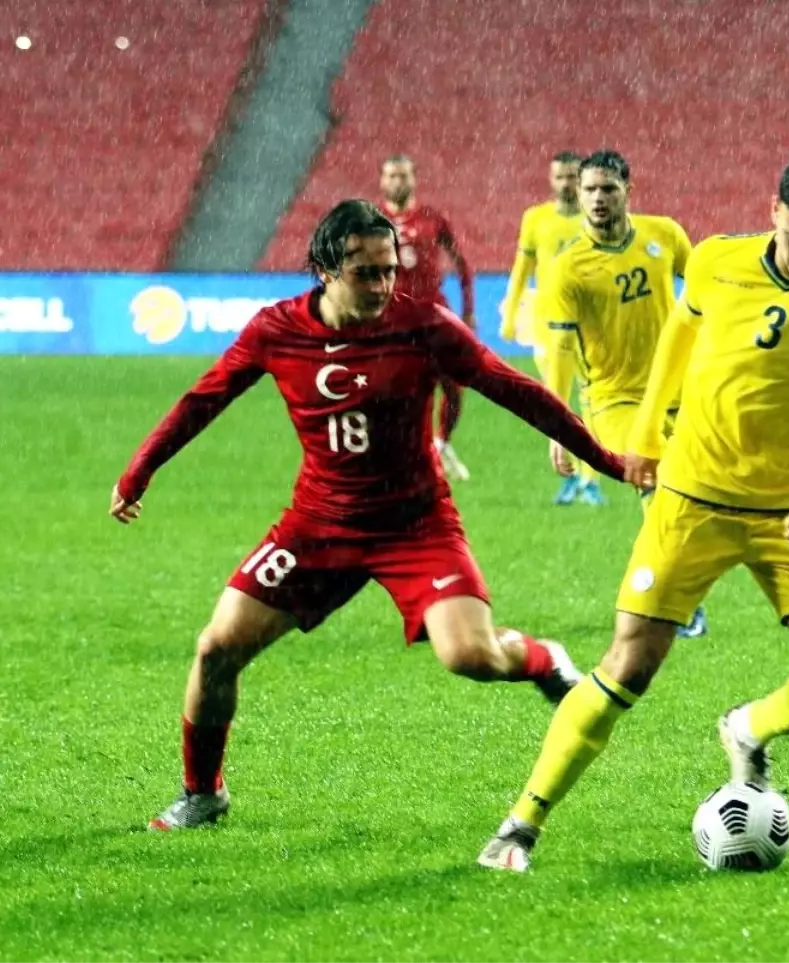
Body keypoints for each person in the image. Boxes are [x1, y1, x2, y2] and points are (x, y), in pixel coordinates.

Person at [110, 199, 627, 832]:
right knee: (216, 648)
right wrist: (140, 471)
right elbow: (204, 399)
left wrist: (602, 457)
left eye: (389, 270)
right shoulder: (277, 331)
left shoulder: (425, 326)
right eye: (366, 272)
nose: (383, 285)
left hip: (416, 525)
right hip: (317, 525)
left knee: (470, 657)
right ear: (326, 270)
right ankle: (202, 793)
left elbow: (510, 387)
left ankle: (542, 659)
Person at [478, 150, 789, 872]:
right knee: (628, 667)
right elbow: (676, 345)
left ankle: (747, 729)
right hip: (691, 498)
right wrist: (644, 438)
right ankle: (523, 821)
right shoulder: (716, 262)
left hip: (788, 514)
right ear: (773, 210)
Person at [541, 149, 704, 635]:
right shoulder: (569, 269)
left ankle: (666, 589)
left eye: (607, 189)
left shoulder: (664, 235)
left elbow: (704, 292)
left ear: (628, 191)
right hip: (613, 401)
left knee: (700, 490)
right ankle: (668, 599)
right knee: (657, 478)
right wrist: (558, 427)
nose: (596, 198)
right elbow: (562, 352)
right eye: (588, 189)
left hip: (679, 391)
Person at [498, 151, 596, 506]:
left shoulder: (595, 218)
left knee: (590, 398)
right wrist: (510, 312)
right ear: (551, 180)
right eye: (561, 177)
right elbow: (522, 267)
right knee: (558, 400)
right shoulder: (536, 219)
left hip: (588, 321)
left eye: (573, 176)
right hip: (546, 321)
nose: (567, 183)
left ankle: (590, 480)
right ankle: (570, 475)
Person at [380, 154, 474, 480]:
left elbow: (461, 264)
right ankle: (406, 457)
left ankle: (441, 444)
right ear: (382, 181)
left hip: (435, 314)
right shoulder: (372, 221)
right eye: (391, 176)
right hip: (392, 319)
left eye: (403, 176)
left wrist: (469, 310)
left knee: (454, 385)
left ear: (414, 178)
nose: (397, 182)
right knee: (403, 389)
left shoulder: (431, 218)